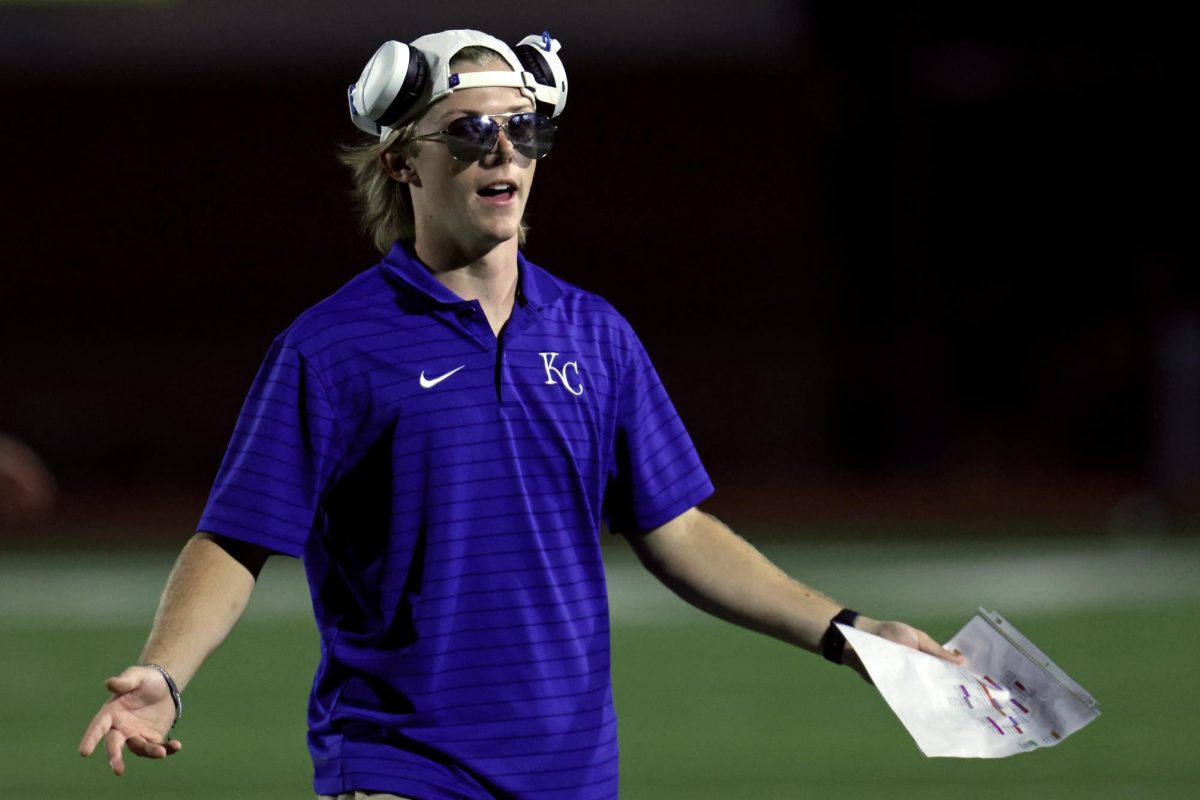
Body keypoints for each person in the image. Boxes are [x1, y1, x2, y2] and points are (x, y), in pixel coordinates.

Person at [79, 29, 962, 799]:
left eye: (524, 129)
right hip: (398, 765)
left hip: (572, 773)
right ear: (400, 161)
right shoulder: (331, 347)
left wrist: (851, 635)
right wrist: (167, 670)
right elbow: (237, 537)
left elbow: (678, 530)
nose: (504, 151)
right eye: (470, 132)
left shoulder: (596, 334)